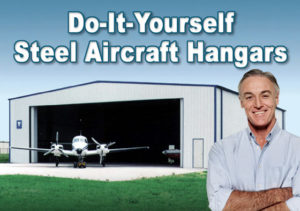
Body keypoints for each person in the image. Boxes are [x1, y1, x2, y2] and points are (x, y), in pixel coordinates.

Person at [207, 69, 300, 211]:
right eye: (249, 97)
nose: (258, 104)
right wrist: (285, 193)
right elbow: (219, 203)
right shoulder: (221, 150)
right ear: (241, 102)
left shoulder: (297, 148)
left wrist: (240, 201)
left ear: (276, 98)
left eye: (265, 96)